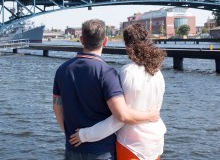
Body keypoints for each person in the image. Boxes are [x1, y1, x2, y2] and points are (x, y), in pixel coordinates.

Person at [53, 19, 159, 160]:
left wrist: (68, 133)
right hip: (101, 151)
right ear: (105, 41)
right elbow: (122, 115)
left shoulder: (62, 70)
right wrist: (150, 116)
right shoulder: (107, 73)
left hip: (72, 147)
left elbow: (57, 106)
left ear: (81, 40)